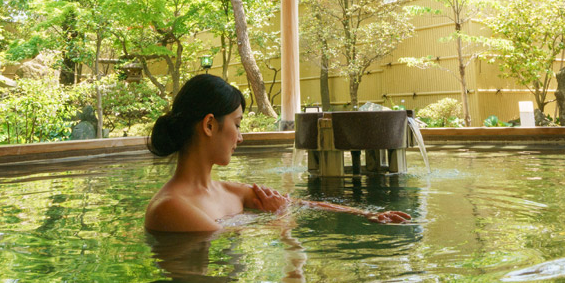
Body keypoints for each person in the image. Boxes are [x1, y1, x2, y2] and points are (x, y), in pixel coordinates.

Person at [145, 74, 412, 232]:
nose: (240, 136)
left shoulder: (228, 190)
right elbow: (224, 242)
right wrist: (279, 217)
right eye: (237, 125)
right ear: (209, 124)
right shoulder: (171, 208)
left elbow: (297, 202)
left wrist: (364, 214)